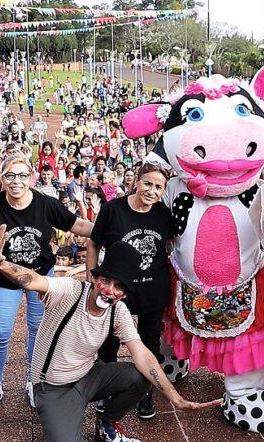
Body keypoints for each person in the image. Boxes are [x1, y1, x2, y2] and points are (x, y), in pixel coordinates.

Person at [0, 226, 219, 441]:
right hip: (54, 388)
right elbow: (34, 280)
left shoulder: (118, 311)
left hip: (89, 376)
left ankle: (107, 424)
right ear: (95, 278)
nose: (110, 291)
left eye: (119, 287)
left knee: (141, 376)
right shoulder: (70, 291)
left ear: (124, 294)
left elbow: (143, 355)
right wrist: (1, 263)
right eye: (106, 281)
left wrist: (174, 397)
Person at [0, 154, 93, 414]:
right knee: (1, 333)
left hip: (40, 277)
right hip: (6, 278)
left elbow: (77, 224)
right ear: (1, 178)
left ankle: (32, 381)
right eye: (10, 176)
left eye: (23, 175)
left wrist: (109, 226)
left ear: (31, 178)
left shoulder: (46, 204)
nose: (16, 182)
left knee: (37, 330)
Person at [87, 164, 173, 419]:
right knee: (108, 345)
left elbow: (170, 247)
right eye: (148, 183)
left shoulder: (163, 214)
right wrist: (93, 279)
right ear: (136, 181)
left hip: (152, 291)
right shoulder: (113, 210)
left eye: (159, 187)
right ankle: (107, 391)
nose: (151, 191)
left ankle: (145, 394)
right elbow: (93, 244)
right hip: (115, 292)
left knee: (149, 346)